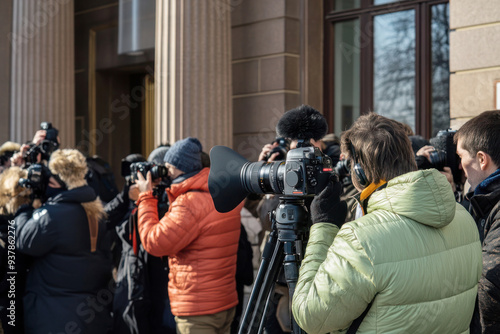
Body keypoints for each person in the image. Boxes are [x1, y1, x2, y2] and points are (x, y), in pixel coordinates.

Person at [292, 112, 482, 333]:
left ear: (359, 172)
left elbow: (311, 317)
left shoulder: (360, 239)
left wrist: (323, 226)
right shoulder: (464, 217)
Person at [135, 137, 242, 334]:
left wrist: (146, 198)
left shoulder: (189, 204)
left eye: (167, 167)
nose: (165, 171)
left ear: (180, 169)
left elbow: (153, 242)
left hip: (197, 309)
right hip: (224, 302)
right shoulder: (222, 192)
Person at [15, 149, 113, 333]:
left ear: (56, 181)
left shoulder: (52, 216)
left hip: (55, 316)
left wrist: (24, 210)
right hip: (91, 315)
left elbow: (23, 240)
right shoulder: (97, 211)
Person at [454, 110, 500, 334]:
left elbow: (490, 289)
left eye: (461, 157)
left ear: (482, 159)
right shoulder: (487, 201)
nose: (460, 166)